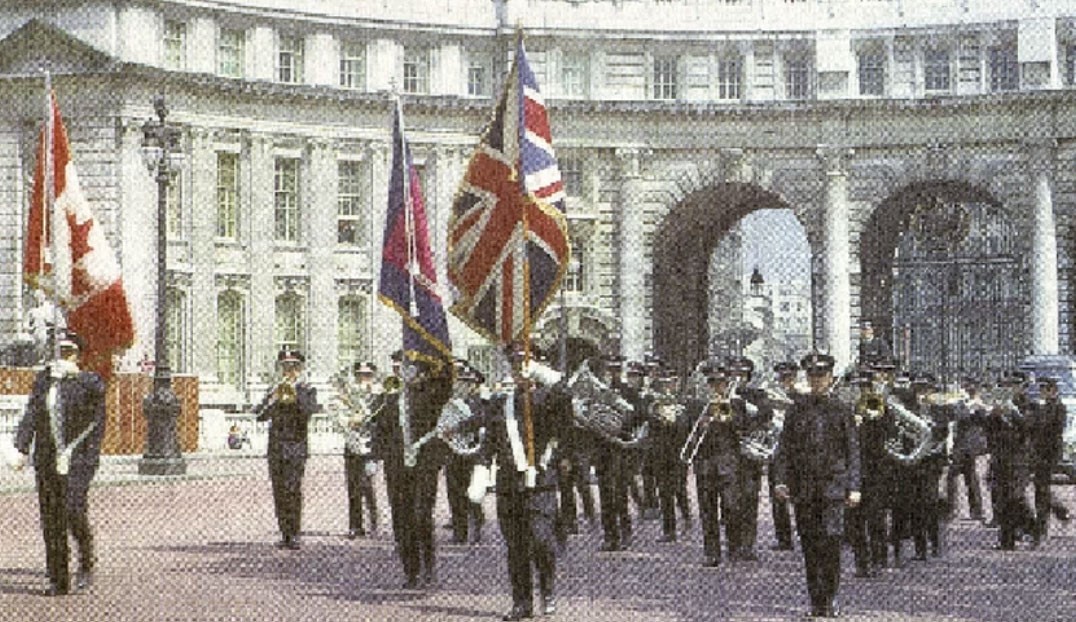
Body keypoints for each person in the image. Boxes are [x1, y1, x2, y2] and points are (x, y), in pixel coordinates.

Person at [475, 346, 572, 621]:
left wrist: (543, 375)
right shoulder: (500, 402)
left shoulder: (548, 399)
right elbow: (490, 440)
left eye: (524, 364)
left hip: (540, 482)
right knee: (515, 547)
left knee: (541, 540)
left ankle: (548, 590)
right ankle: (522, 602)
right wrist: (482, 469)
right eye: (515, 364)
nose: (518, 370)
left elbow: (566, 397)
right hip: (509, 483)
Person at [13, 329, 107, 595]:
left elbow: (96, 413)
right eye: (60, 351)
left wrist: (72, 378)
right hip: (46, 459)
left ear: (78, 355)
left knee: (73, 511)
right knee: (51, 519)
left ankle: (86, 560)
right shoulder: (44, 380)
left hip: (77, 461)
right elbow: (31, 413)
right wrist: (20, 447)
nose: (64, 355)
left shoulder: (88, 382)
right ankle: (58, 578)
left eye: (69, 351)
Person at [773, 352, 861, 618]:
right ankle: (816, 601)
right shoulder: (796, 409)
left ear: (830, 378)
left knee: (831, 544)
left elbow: (852, 450)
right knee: (810, 546)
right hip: (804, 488)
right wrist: (780, 479)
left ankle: (831, 596)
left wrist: (854, 486)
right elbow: (784, 449)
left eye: (821, 376)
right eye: (812, 376)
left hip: (834, 486)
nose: (817, 381)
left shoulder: (841, 409)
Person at [373, 354, 452, 588]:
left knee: (421, 515)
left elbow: (446, 383)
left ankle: (428, 565)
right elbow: (380, 430)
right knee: (401, 519)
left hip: (423, 464)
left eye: (410, 369)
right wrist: (376, 456)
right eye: (401, 368)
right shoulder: (388, 398)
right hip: (396, 467)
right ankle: (411, 570)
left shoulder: (430, 396)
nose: (403, 373)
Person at [254, 347, 319, 550]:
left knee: (293, 489)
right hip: (276, 447)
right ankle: (284, 533)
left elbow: (308, 412)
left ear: (299, 369)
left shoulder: (307, 389)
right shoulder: (274, 389)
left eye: (293, 367)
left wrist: (295, 394)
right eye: (285, 367)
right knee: (279, 490)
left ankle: (295, 532)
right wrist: (274, 397)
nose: (289, 371)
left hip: (296, 446)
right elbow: (260, 415)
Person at [335, 361, 382, 539]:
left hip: (371, 445)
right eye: (361, 375)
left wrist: (367, 418)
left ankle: (373, 519)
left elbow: (383, 419)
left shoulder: (379, 395)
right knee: (353, 486)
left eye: (368, 375)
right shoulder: (348, 395)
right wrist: (349, 420)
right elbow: (338, 415)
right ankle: (355, 525)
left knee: (367, 484)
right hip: (352, 443)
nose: (364, 378)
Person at [1028, 376, 1066, 546]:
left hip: (1050, 454)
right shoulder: (1040, 408)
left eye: (1044, 390)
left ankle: (1041, 531)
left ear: (1052, 391)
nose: (1041, 393)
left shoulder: (1059, 407)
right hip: (1038, 452)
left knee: (1041, 490)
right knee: (1041, 488)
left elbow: (1055, 430)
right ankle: (1058, 509)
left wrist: (1040, 417)